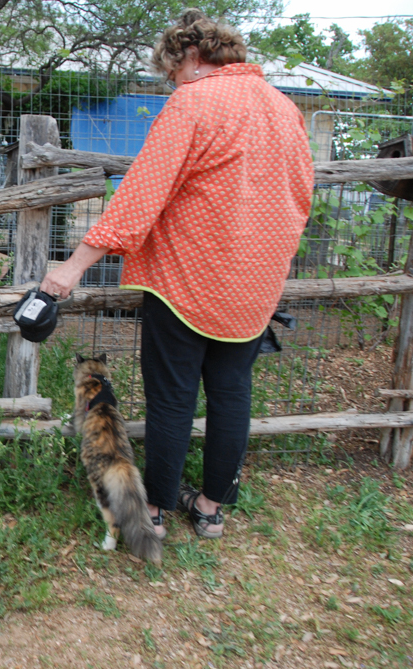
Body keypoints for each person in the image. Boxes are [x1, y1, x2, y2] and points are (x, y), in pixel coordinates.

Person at [40, 8, 314, 540]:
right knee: (233, 392)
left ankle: (158, 513)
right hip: (256, 285)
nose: (172, 81)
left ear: (190, 55)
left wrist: (71, 268)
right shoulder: (286, 110)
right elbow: (301, 198)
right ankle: (211, 509)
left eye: (171, 72)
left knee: (172, 398)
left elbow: (140, 197)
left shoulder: (193, 102)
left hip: (188, 279)